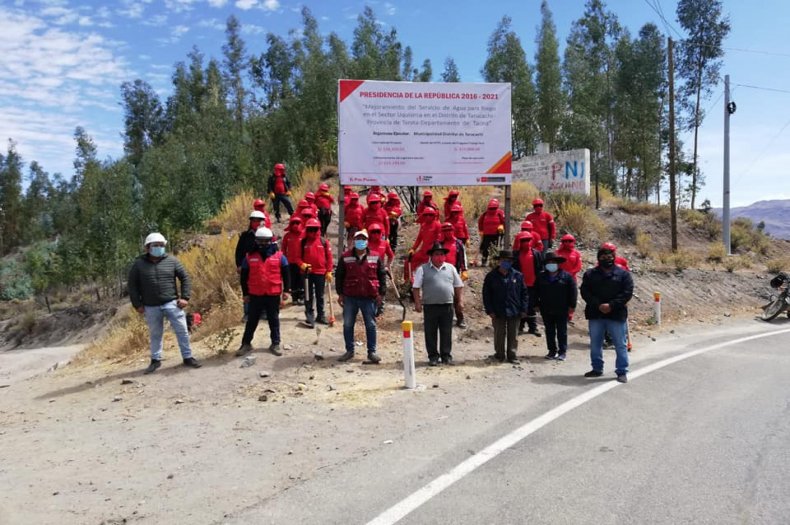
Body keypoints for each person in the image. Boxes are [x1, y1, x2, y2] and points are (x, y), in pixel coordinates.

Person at [128, 233, 202, 374]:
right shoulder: (138, 265)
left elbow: (185, 278)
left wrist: (185, 297)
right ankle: (155, 361)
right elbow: (132, 286)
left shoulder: (172, 261)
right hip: (150, 306)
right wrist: (137, 304)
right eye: (155, 245)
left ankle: (187, 357)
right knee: (155, 333)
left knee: (182, 331)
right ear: (147, 248)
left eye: (161, 245)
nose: (159, 248)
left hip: (172, 303)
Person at [580, 244, 634, 383]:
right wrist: (598, 305)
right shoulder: (590, 274)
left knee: (620, 344)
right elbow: (585, 292)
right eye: (603, 257)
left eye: (609, 257)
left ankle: (621, 371)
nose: (606, 259)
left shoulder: (623, 274)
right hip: (596, 313)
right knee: (595, 343)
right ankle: (597, 369)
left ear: (614, 258)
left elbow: (627, 292)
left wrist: (611, 305)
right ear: (598, 258)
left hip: (616, 314)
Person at [236, 227, 290, 357]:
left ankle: (275, 343)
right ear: (256, 241)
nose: (263, 244)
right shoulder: (249, 257)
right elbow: (244, 277)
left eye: (266, 241)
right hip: (255, 294)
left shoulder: (279, 256)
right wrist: (245, 294)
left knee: (274, 320)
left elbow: (286, 274)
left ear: (270, 241)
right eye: (260, 241)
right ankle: (246, 344)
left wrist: (287, 291)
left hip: (273, 294)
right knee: (252, 320)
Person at [335, 230, 387, 363]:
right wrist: (340, 294)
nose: (360, 241)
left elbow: (381, 275)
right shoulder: (345, 257)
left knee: (370, 325)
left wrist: (381, 293)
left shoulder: (375, 256)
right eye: (358, 238)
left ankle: (372, 352)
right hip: (350, 297)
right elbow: (339, 276)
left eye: (363, 238)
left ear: (367, 241)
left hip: (369, 297)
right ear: (353, 240)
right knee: (347, 324)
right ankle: (349, 351)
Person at [413, 242, 464, 366]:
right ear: (431, 256)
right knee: (430, 332)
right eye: (437, 254)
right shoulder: (423, 269)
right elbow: (416, 287)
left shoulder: (451, 268)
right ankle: (433, 356)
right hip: (430, 306)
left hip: (447, 305)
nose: (440, 257)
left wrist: (460, 301)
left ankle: (446, 355)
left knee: (446, 331)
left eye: (442, 254)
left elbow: (458, 286)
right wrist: (418, 303)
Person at [482, 250, 530, 364]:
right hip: (497, 310)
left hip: (514, 310)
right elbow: (486, 295)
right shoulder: (491, 276)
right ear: (499, 261)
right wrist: (489, 310)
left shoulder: (518, 275)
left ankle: (512, 356)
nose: (506, 263)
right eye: (504, 260)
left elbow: (524, 293)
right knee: (499, 334)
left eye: (509, 261)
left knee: (513, 334)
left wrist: (524, 309)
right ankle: (499, 355)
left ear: (512, 262)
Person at [534, 252, 578, 361]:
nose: (551, 265)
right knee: (549, 331)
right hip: (546, 308)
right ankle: (552, 351)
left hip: (562, 308)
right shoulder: (541, 277)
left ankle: (562, 352)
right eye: (549, 263)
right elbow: (535, 291)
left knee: (562, 331)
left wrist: (572, 305)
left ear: (558, 264)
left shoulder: (566, 277)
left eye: (553, 262)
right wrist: (535, 304)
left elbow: (573, 292)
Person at [294, 218, 333, 328]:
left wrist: (329, 271)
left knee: (320, 295)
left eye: (315, 230)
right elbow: (297, 258)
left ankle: (320, 315)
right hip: (307, 274)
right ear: (307, 230)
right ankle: (309, 314)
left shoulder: (324, 242)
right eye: (310, 230)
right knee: (308, 295)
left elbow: (329, 258)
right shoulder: (303, 242)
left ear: (318, 229)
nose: (312, 232)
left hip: (320, 273)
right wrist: (302, 264)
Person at [236, 210, 269, 321]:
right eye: (253, 220)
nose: (255, 223)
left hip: (262, 266)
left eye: (258, 221)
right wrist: (239, 264)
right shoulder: (245, 236)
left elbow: (273, 250)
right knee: (247, 288)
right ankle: (248, 313)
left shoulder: (267, 234)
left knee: (264, 287)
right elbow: (239, 251)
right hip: (248, 266)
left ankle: (264, 311)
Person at [513, 232, 543, 336]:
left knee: (532, 306)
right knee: (520, 305)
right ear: (519, 242)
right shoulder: (515, 255)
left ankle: (533, 328)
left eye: (528, 240)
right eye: (523, 240)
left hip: (533, 285)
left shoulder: (536, 254)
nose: (526, 242)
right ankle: (520, 327)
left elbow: (540, 269)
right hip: (519, 285)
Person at [441, 222, 468, 328]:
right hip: (442, 273)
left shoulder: (459, 243)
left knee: (457, 298)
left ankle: (460, 319)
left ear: (452, 230)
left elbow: (463, 257)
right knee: (444, 296)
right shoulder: (440, 243)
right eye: (445, 231)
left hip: (455, 272)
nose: (447, 232)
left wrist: (464, 270)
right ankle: (445, 318)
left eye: (449, 230)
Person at [408, 207, 441, 275]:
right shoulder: (423, 225)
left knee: (428, 269)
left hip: (432, 252)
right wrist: (413, 249)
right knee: (409, 261)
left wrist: (434, 252)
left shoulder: (437, 225)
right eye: (426, 215)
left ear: (434, 216)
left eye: (430, 215)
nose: (428, 217)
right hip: (423, 250)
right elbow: (419, 238)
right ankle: (409, 280)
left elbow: (439, 240)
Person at [282, 216, 305, 305]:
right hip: (290, 262)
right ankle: (294, 298)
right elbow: (283, 248)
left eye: (297, 223)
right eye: (293, 223)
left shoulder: (304, 234)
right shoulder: (287, 236)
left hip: (301, 262)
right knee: (293, 281)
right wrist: (284, 259)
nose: (295, 225)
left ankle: (302, 297)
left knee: (301, 280)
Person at [477, 198, 505, 267]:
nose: (492, 209)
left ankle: (493, 262)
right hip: (486, 234)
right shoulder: (485, 214)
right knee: (485, 248)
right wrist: (481, 230)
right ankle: (484, 261)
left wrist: (502, 227)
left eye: (494, 208)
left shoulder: (500, 213)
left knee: (495, 248)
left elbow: (504, 222)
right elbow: (480, 222)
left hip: (496, 234)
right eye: (491, 208)